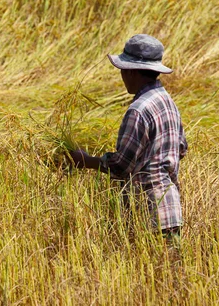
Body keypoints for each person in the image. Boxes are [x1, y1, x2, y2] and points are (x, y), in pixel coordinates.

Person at [69, 34, 187, 244]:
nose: (122, 76)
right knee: (170, 273)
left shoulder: (138, 110)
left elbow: (121, 166)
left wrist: (85, 161)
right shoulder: (168, 102)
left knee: (151, 272)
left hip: (148, 213)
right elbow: (182, 149)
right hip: (171, 209)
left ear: (132, 71)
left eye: (123, 70)